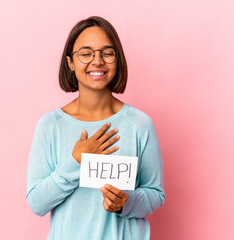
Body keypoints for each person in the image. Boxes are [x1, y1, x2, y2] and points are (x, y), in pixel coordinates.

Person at [26, 16, 165, 240]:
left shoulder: (140, 124)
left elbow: (155, 194)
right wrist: (76, 161)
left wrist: (126, 202)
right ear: (70, 62)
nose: (97, 61)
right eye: (86, 53)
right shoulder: (50, 126)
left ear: (117, 60)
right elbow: (37, 203)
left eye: (107, 53)